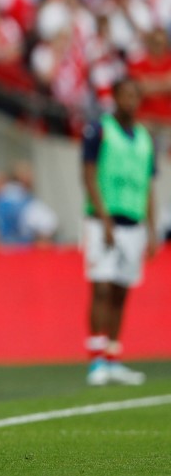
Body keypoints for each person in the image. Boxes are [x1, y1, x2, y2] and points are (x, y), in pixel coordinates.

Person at [82, 77, 157, 387]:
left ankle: (113, 357)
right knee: (101, 287)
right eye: (125, 95)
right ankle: (96, 359)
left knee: (121, 291)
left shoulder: (144, 138)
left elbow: (149, 186)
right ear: (113, 97)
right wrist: (104, 219)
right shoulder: (99, 130)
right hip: (103, 221)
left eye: (135, 96)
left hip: (134, 223)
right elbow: (88, 175)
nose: (130, 101)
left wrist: (152, 229)